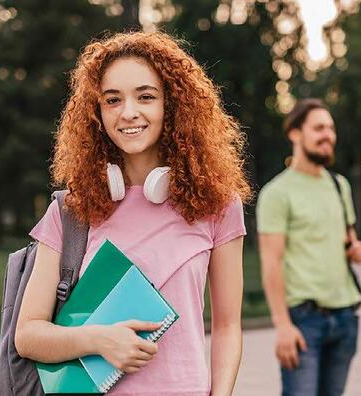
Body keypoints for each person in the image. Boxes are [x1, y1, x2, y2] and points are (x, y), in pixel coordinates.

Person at [14, 31, 251, 396]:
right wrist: (98, 340)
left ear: (171, 105)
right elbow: (27, 335)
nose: (129, 112)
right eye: (112, 100)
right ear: (97, 112)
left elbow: (226, 328)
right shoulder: (71, 212)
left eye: (146, 96)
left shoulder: (218, 206)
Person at [256, 98, 361, 396]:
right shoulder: (277, 193)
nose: (328, 135)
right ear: (295, 133)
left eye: (331, 128)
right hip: (305, 322)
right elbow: (271, 263)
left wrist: (357, 250)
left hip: (345, 318)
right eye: (319, 128)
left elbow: (351, 240)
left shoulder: (339, 185)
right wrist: (282, 325)